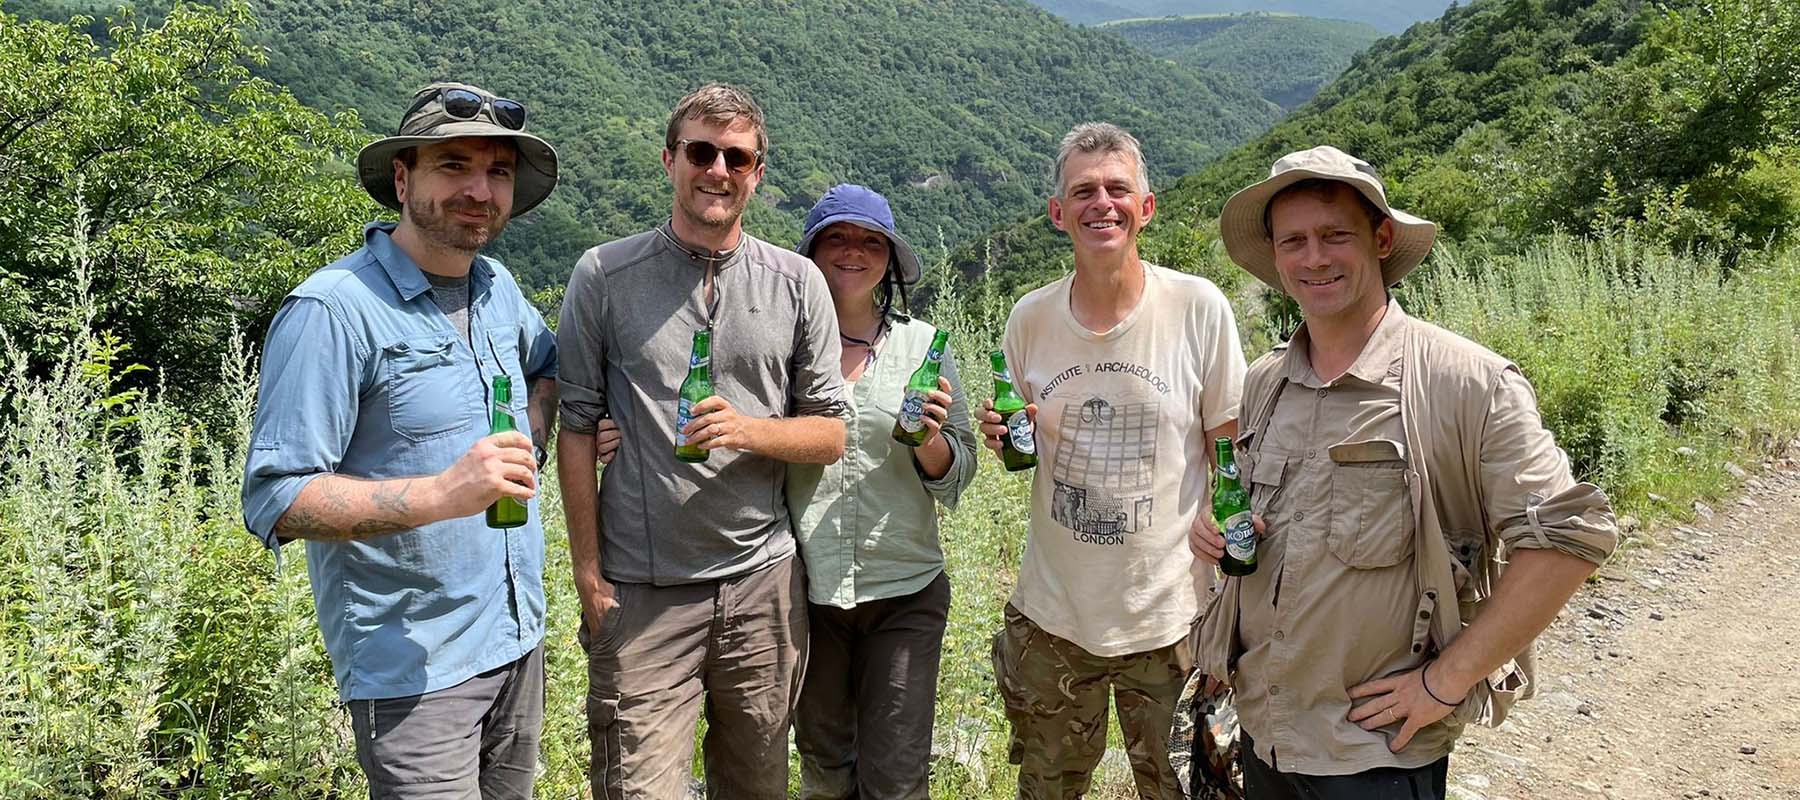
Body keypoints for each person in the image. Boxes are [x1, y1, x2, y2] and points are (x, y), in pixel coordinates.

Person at [1190, 145, 1620, 799]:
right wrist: (1219, 533)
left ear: (1381, 238)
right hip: (1264, 735)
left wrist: (1443, 683)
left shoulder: (1465, 383)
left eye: (1335, 235)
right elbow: (1266, 526)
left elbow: (1569, 538)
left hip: (1376, 756)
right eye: (1295, 241)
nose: (1315, 258)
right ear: (1275, 257)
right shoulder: (1266, 382)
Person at [240, 82, 561, 798]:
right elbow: (276, 497)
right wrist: (444, 493)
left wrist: (530, 439)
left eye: (498, 172)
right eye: (453, 165)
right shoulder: (333, 311)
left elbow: (548, 364)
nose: (479, 189)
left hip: (516, 643)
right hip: (415, 678)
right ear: (401, 176)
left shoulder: (497, 288)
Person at [556, 83, 849, 800]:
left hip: (762, 584)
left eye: (736, 157)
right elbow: (575, 425)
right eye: (701, 152)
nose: (717, 169)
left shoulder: (797, 281)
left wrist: (749, 429)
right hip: (644, 593)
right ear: (669, 160)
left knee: (755, 785)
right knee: (636, 788)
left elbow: (833, 432)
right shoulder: (604, 275)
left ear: (757, 173)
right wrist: (588, 575)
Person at [977, 122, 1247, 799]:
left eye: (1118, 189)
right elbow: (1023, 446)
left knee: (1189, 789)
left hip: (1173, 618)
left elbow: (1234, 449)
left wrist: (1228, 534)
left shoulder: (1196, 308)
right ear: (1057, 213)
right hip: (1053, 620)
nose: (1102, 203)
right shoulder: (1029, 319)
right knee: (1047, 788)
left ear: (1146, 207)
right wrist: (1006, 434)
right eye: (1083, 191)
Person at [786, 184, 979, 799]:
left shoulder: (926, 347)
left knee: (895, 777)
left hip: (905, 590)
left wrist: (928, 440)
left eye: (871, 241)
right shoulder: (781, 347)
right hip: (806, 593)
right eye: (837, 237)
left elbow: (962, 467)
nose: (853, 252)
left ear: (890, 259)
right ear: (812, 251)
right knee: (823, 765)